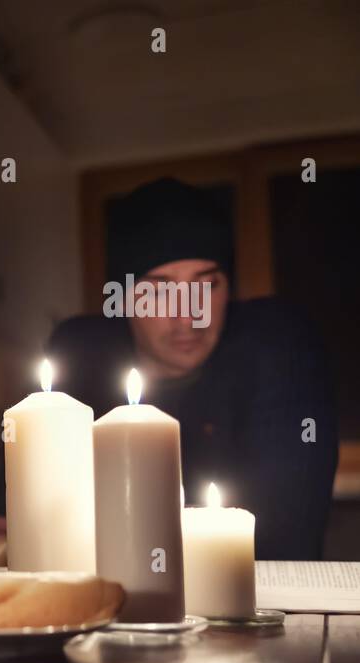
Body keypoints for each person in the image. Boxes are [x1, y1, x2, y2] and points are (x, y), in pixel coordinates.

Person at [43, 176, 338, 559]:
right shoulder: (79, 358)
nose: (189, 316)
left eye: (208, 285)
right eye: (161, 289)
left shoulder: (275, 345)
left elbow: (285, 542)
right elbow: (32, 522)